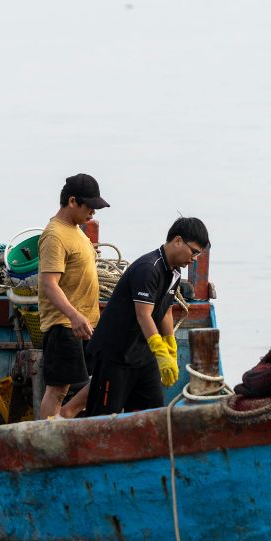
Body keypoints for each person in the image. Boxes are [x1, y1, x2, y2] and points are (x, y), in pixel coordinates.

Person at [82, 217, 209, 416]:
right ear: (178, 241)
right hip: (115, 353)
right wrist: (160, 350)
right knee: (103, 417)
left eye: (198, 254)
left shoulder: (174, 272)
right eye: (193, 252)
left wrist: (170, 346)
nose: (193, 258)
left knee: (152, 413)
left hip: (142, 353)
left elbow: (166, 310)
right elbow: (143, 315)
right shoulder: (149, 268)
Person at [37, 173, 109, 418]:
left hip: (86, 322)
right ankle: (45, 434)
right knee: (58, 389)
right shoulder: (55, 235)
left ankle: (67, 416)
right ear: (72, 202)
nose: (93, 213)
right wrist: (74, 315)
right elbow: (49, 284)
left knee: (103, 373)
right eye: (89, 207)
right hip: (65, 324)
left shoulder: (76, 230)